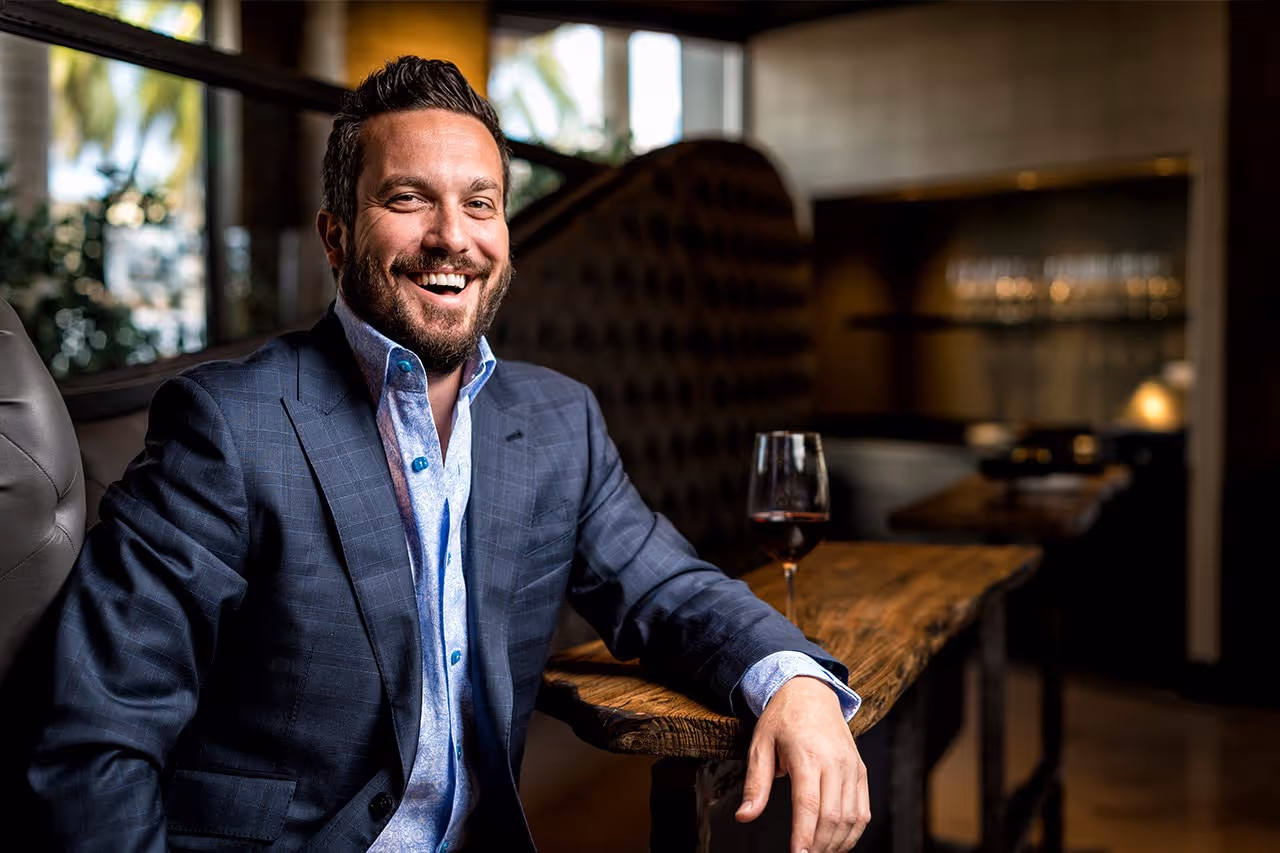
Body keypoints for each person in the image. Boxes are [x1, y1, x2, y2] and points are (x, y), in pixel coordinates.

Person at [30, 57, 870, 853]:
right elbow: (100, 736)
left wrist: (792, 680)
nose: (451, 237)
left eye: (480, 203)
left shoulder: (559, 420)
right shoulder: (227, 424)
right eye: (408, 199)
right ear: (335, 235)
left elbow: (668, 589)